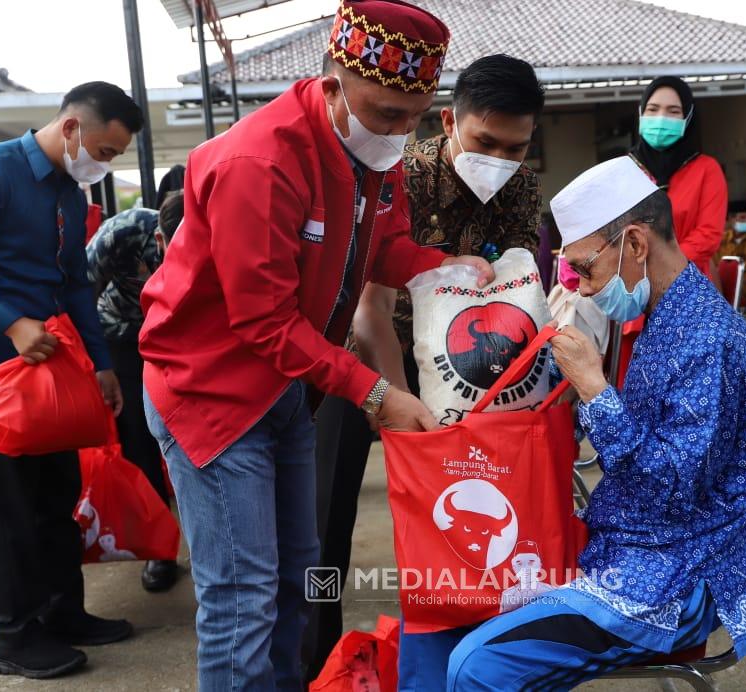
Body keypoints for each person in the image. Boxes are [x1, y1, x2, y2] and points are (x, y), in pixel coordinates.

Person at [138, 3, 493, 689]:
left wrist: (436, 267)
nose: (400, 132)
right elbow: (263, 323)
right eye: (386, 112)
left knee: (300, 578)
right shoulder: (260, 162)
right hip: (210, 394)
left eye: (414, 115)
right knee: (242, 599)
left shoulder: (370, 150)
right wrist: (376, 392)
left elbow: (380, 246)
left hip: (284, 390)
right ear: (332, 87)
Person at [446, 156, 746, 689]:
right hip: (631, 541)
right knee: (456, 593)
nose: (583, 287)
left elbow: (671, 490)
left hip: (673, 571)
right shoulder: (670, 314)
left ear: (636, 245)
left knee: (477, 664)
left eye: (585, 267)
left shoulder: (705, 340)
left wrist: (595, 390)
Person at [305, 52, 544, 687]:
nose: (500, 159)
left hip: (470, 378)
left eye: (516, 147)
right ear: (449, 120)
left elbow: (514, 293)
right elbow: (368, 308)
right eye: (485, 141)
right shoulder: (396, 174)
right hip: (366, 366)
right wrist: (396, 401)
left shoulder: (521, 187)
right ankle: (309, 656)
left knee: (475, 522)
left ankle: (470, 654)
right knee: (325, 520)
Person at [0, 81, 139, 679]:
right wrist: (12, 324)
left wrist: (101, 363)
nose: (101, 164)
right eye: (103, 152)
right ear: (73, 128)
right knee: (8, 505)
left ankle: (63, 613)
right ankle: (15, 637)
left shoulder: (69, 195)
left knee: (57, 493)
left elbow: (76, 282)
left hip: (49, 361)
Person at [85, 190, 185, 593]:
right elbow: (80, 290)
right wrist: (97, 365)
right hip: (123, 336)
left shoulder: (220, 237)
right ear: (158, 237)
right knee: (139, 441)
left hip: (182, 340)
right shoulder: (121, 233)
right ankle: (160, 551)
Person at [629, 76, 726, 277]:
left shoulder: (707, 169)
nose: (661, 118)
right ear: (641, 114)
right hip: (632, 285)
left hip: (688, 282)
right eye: (653, 109)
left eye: (673, 111)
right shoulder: (623, 170)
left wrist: (662, 266)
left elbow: (708, 235)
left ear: (687, 118)